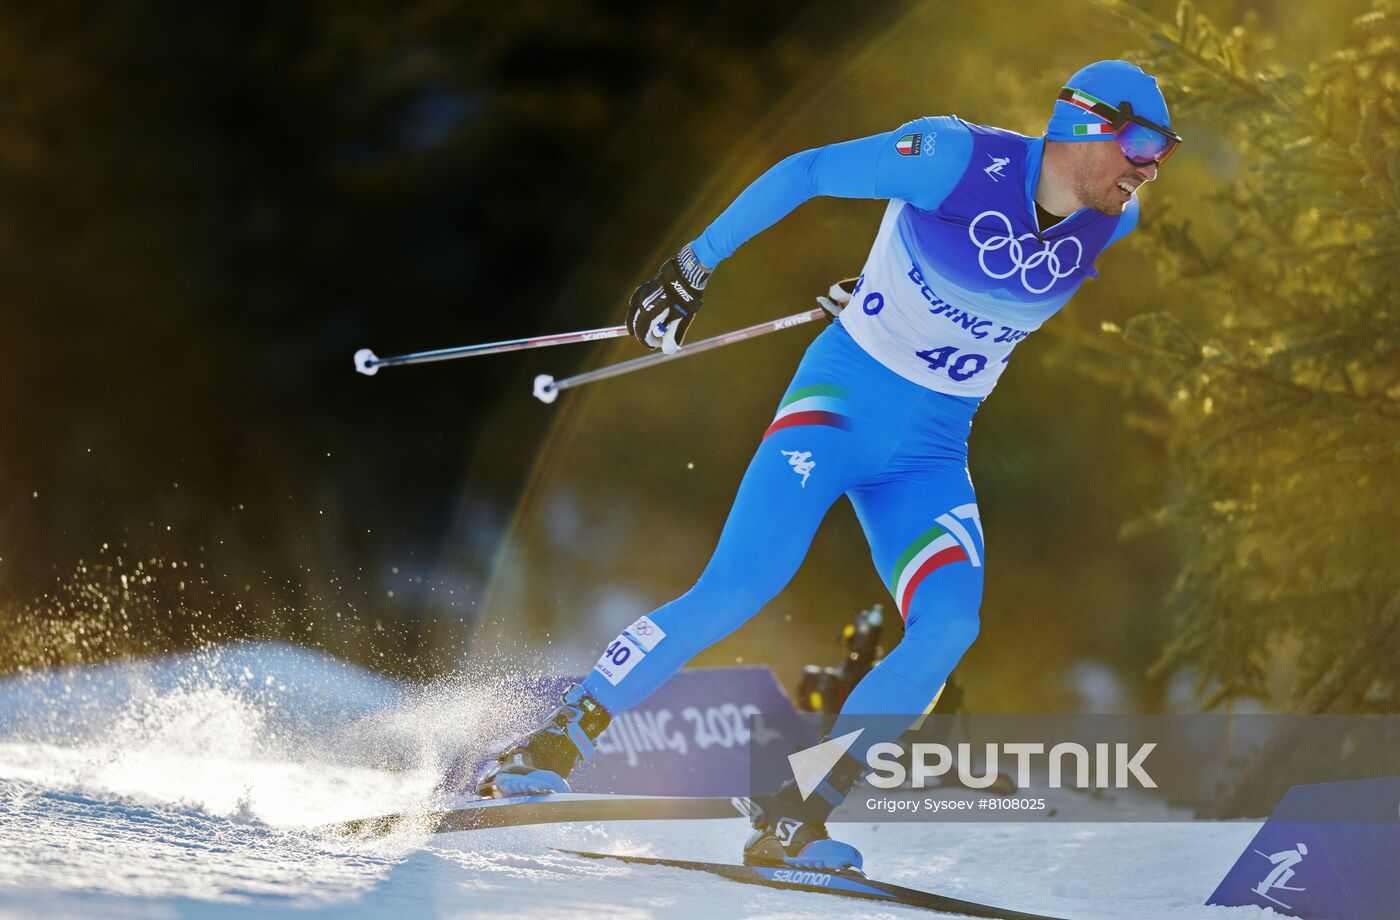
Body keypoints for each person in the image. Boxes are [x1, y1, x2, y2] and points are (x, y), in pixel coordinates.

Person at [477, 59, 1181, 872]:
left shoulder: (1115, 221)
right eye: (1141, 142)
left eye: (1165, 152)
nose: (1150, 166)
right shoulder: (955, 157)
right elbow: (810, 171)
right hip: (839, 406)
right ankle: (558, 737)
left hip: (931, 452)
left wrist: (896, 287)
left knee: (950, 625)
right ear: (1081, 122)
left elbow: (973, 282)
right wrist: (694, 264)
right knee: (741, 584)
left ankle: (794, 812)